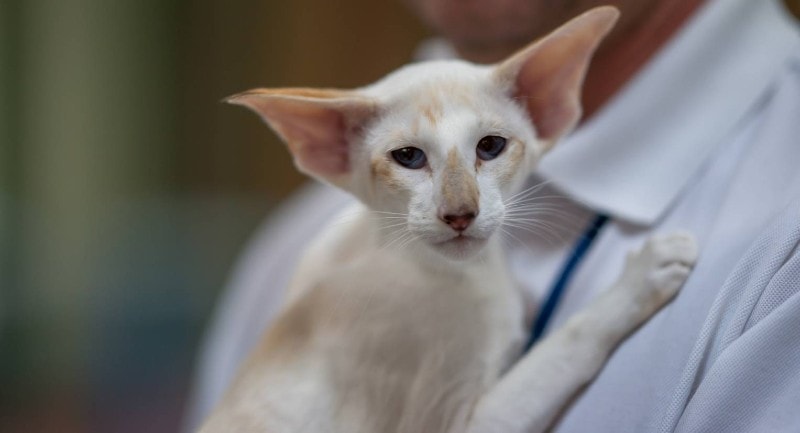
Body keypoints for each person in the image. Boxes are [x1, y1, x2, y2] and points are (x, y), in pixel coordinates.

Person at [186, 0, 800, 431]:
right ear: (327, 148)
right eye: (406, 158)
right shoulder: (295, 245)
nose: (460, 208)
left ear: (547, 104)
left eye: (488, 149)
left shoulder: (780, 239)